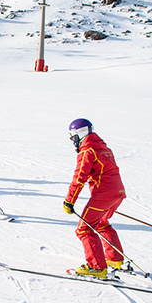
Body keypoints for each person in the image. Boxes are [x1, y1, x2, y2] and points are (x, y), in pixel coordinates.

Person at [63, 118, 126, 279]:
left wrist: (69, 201)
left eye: (73, 138)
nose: (73, 142)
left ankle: (96, 267)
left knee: (84, 229)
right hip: (117, 192)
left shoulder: (87, 151)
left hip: (104, 195)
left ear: (79, 134)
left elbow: (79, 178)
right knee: (102, 223)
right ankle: (115, 260)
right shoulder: (103, 148)